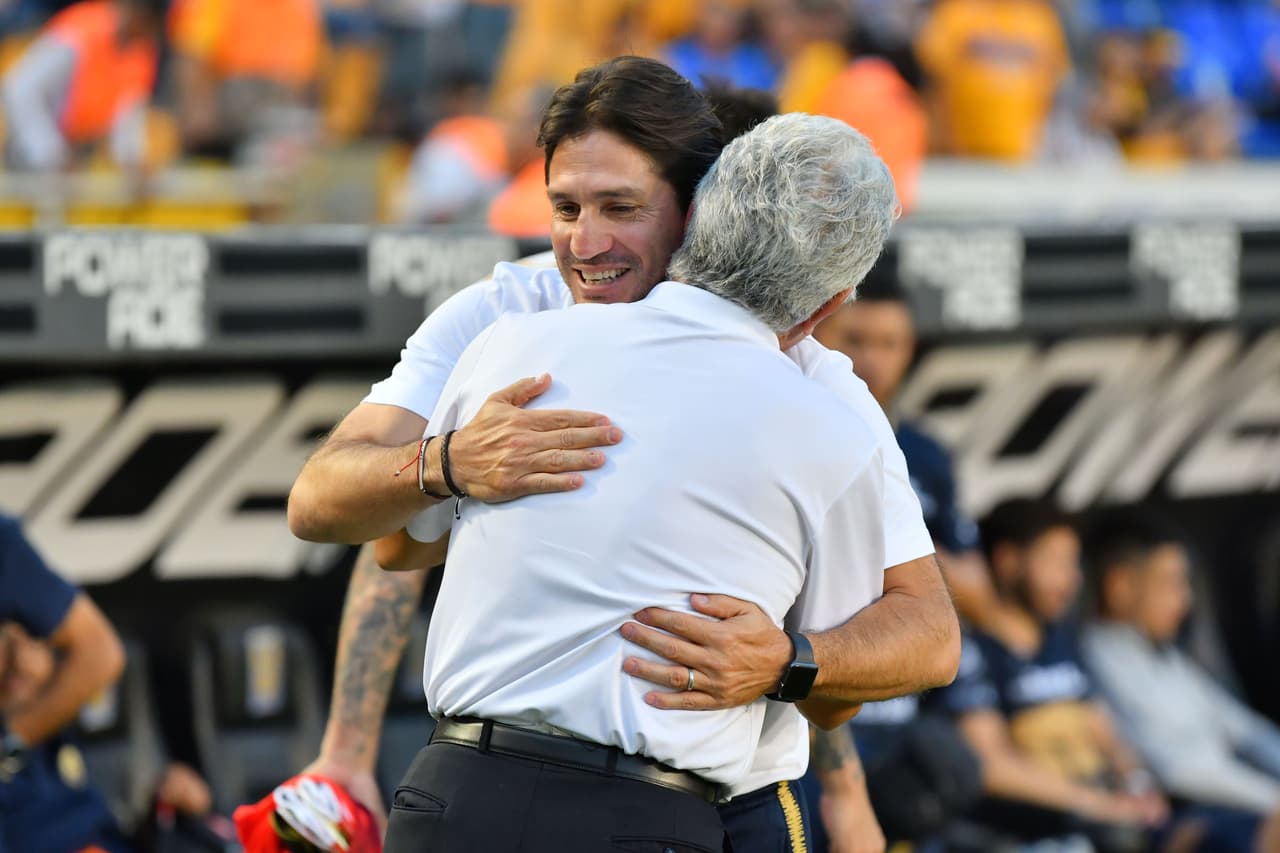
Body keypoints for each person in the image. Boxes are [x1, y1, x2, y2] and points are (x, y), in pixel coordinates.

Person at [288, 56, 959, 847]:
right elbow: (351, 515)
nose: (586, 240)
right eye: (564, 205)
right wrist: (447, 463)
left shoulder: (814, 380)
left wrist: (804, 691)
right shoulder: (509, 318)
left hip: (715, 797)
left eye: (621, 206)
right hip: (484, 774)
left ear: (696, 211)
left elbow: (888, 629)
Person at [933, 500, 1168, 852]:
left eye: (1073, 564)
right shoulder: (972, 649)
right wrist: (1096, 805)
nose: (1072, 579)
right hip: (1024, 834)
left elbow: (1102, 728)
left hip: (1097, 817)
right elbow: (991, 766)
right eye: (1057, 562)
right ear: (1008, 561)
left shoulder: (1062, 638)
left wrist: (1137, 784)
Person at [1083, 513, 1280, 850]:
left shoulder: (1166, 656)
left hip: (1241, 806)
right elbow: (1178, 770)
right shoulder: (1098, 658)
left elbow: (1247, 729)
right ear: (1120, 586)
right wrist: (1273, 799)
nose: (1185, 599)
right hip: (1179, 819)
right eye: (1171, 583)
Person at [1, 0, 161, 175]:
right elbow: (20, 90)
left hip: (77, 157)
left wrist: (132, 162)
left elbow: (128, 111)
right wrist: (50, 154)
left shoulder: (140, 51)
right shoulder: (78, 34)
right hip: (31, 157)